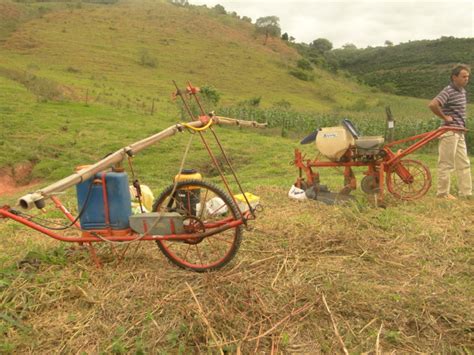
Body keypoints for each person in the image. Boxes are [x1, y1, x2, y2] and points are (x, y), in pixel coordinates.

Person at [428, 64, 472, 199]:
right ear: (454, 77)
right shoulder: (448, 90)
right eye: (463, 76)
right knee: (446, 164)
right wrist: (445, 117)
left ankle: (466, 193)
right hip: (449, 132)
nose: (466, 79)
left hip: (459, 132)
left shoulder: (462, 91)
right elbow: (433, 104)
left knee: (464, 164)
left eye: (468, 77)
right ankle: (443, 194)